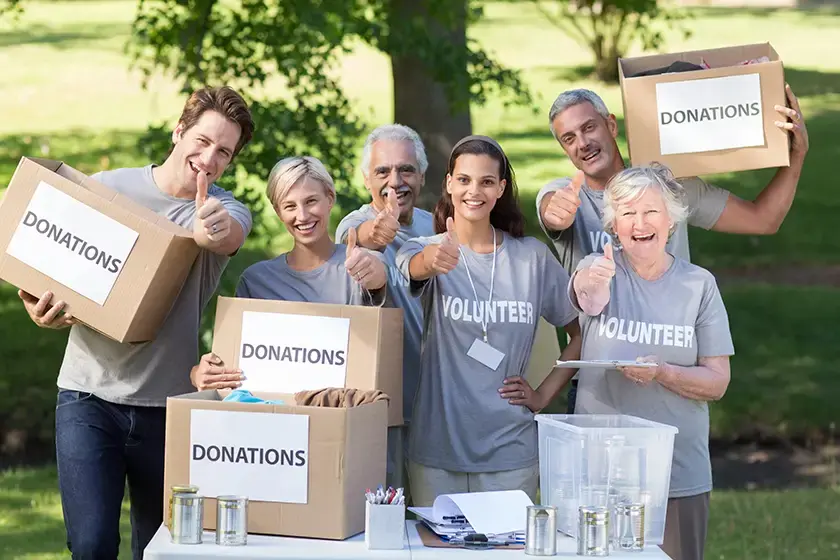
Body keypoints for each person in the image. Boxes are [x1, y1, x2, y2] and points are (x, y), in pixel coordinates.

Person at [18, 86, 255, 558]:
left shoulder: (224, 210)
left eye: (224, 152)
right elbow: (53, 268)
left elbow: (228, 233)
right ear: (179, 130)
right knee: (90, 545)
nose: (209, 158)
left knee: (159, 549)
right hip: (88, 397)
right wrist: (37, 306)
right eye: (203, 141)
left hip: (168, 409)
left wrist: (211, 227)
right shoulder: (106, 189)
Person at [537, 86, 807, 413]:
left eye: (589, 127)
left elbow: (763, 220)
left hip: (674, 374)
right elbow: (550, 209)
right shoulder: (565, 197)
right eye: (568, 138)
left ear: (611, 125)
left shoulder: (671, 188)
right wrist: (555, 211)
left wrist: (795, 158)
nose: (582, 143)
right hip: (599, 385)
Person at [395, 135, 582, 506]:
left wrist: (543, 394)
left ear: (501, 189)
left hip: (510, 453)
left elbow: (582, 332)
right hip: (437, 453)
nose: (473, 191)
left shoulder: (532, 259)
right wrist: (433, 261)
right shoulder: (422, 248)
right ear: (448, 183)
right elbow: (414, 269)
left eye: (485, 181)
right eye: (463, 180)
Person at [569, 163, 734, 560]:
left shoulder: (700, 285)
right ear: (614, 225)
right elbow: (587, 295)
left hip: (678, 474)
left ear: (671, 221)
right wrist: (593, 280)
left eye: (650, 211)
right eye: (627, 213)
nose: (639, 223)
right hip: (600, 475)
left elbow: (717, 381)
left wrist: (663, 372)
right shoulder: (598, 269)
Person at [190, 155, 389, 391]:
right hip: (277, 417)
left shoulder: (359, 265)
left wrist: (374, 272)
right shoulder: (257, 281)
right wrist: (198, 373)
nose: (302, 216)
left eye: (311, 201)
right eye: (290, 206)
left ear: (330, 199)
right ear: (277, 211)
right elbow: (233, 363)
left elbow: (378, 278)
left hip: (343, 416)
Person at [334, 124, 435, 493]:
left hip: (437, 405)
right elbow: (359, 237)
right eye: (383, 171)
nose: (396, 181)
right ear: (366, 179)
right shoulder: (356, 223)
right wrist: (377, 235)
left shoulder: (435, 225)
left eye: (406, 170)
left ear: (422, 175)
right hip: (385, 407)